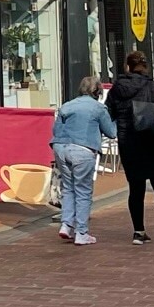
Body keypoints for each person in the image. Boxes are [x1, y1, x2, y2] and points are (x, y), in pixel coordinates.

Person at [105, 52, 154, 244]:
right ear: (145, 66)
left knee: (136, 188)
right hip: (153, 139)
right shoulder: (153, 86)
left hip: (129, 141)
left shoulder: (117, 88)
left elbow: (109, 112)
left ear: (127, 67)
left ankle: (138, 231)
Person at [49, 77, 116, 246]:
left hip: (61, 148)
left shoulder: (67, 105)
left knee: (68, 188)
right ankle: (81, 232)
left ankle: (66, 224)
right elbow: (112, 132)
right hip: (82, 150)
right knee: (83, 191)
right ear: (97, 92)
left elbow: (56, 130)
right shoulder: (99, 108)